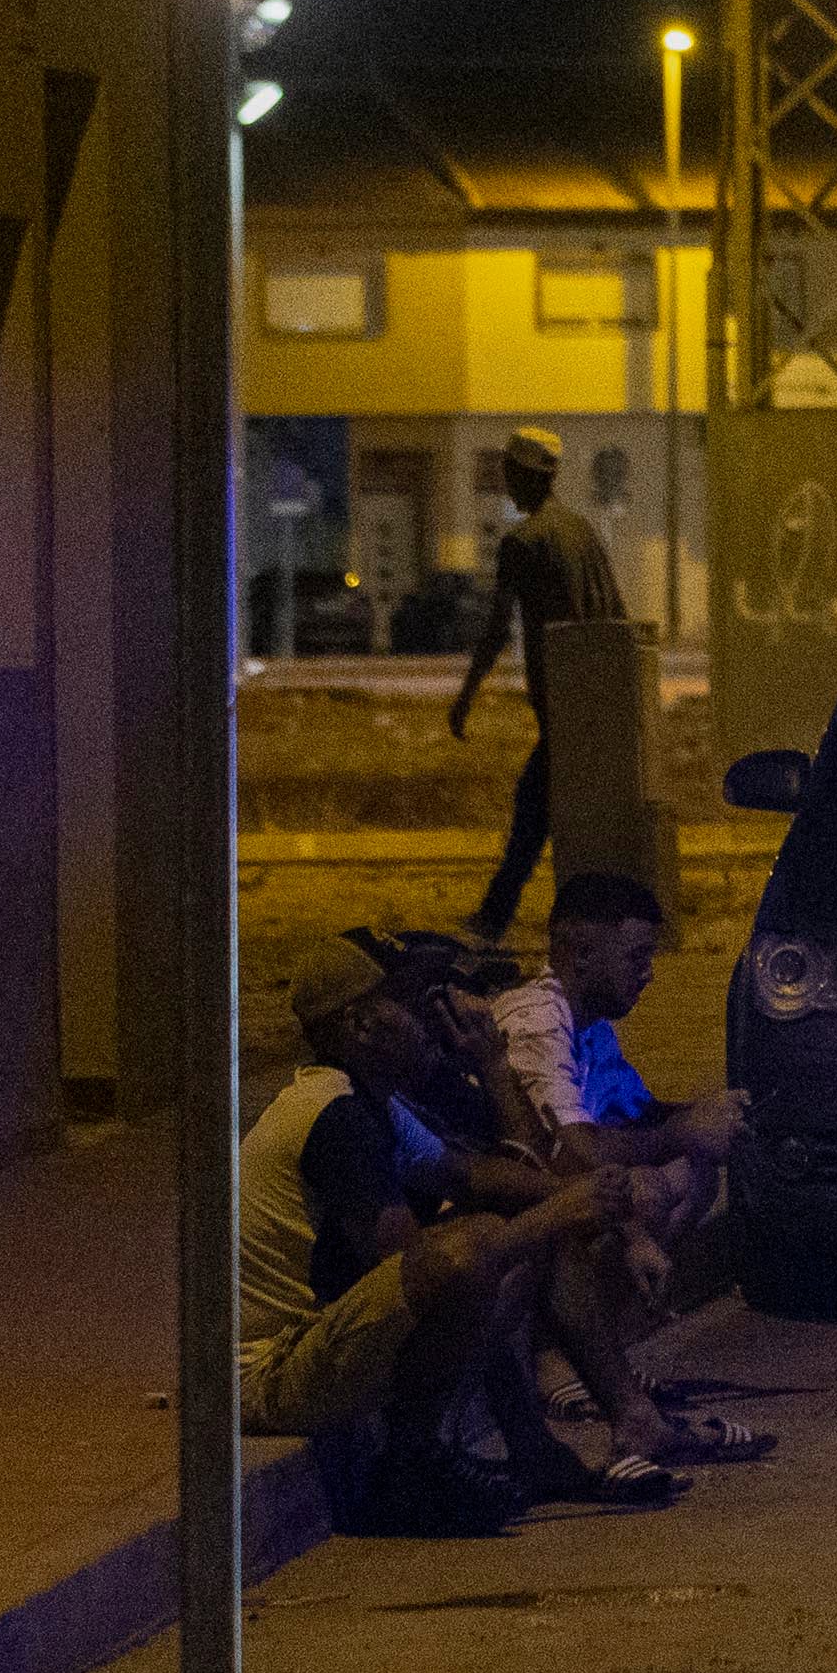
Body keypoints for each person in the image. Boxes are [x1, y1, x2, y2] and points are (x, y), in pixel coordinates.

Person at [242, 943, 634, 1534]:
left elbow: (469, 1171)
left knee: (515, 1230)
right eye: (417, 1005)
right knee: (475, 1249)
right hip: (274, 1374)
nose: (437, 1022)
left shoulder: (370, 1099)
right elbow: (420, 1269)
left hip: (316, 1346)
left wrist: (587, 1210)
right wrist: (558, 1212)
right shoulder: (334, 1117)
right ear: (361, 1024)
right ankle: (410, 1467)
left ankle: (531, 1446)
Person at [488, 872, 774, 1464]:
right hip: (506, 1203)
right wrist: (682, 1130)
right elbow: (572, 1151)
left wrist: (713, 1117)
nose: (648, 973)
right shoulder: (540, 1019)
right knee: (643, 1188)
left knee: (691, 1165)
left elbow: (634, 1114)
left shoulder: (591, 1024)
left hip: (544, 1201)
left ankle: (603, 1362)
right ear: (582, 951)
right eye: (637, 956)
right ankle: (557, 1363)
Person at [451, 424, 627, 941]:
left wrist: (466, 696)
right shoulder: (583, 532)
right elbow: (617, 611)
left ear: (522, 477)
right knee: (559, 813)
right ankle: (512, 915)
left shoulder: (522, 542)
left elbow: (497, 627)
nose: (505, 480)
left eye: (509, 471)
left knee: (535, 812)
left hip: (561, 704)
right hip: (598, 698)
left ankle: (497, 919)